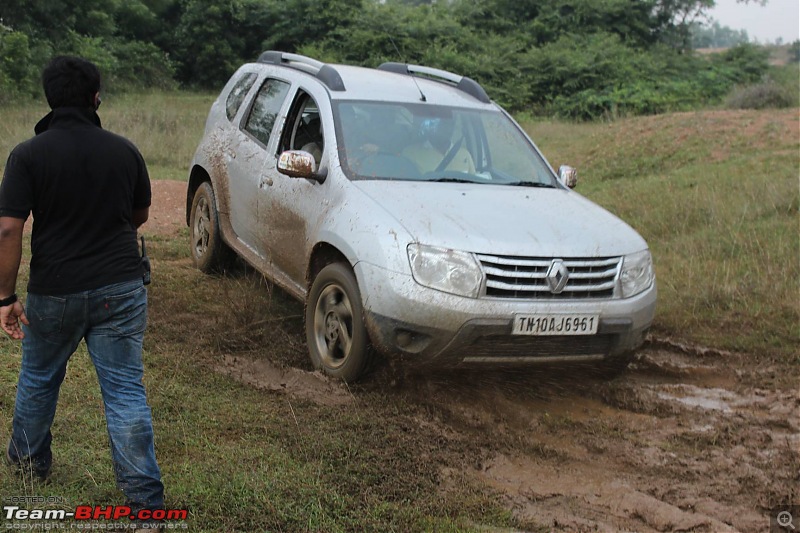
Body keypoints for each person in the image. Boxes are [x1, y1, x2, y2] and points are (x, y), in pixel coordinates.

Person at [0, 56, 164, 514]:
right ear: (96, 97)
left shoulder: (27, 155)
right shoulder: (125, 150)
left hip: (53, 290)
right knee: (125, 390)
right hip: (121, 289)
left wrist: (5, 298)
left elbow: (9, 229)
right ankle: (145, 505)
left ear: (49, 99)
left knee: (38, 376)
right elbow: (138, 217)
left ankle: (30, 464)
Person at [402, 116, 475, 175]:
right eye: (443, 124)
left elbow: (474, 186)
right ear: (431, 125)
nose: (448, 128)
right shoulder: (410, 153)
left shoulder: (464, 155)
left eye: (451, 124)